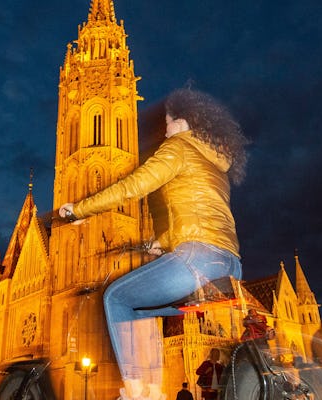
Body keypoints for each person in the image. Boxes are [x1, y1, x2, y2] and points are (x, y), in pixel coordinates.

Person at [59, 88, 249, 400]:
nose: (165, 128)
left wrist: (78, 209)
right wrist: (161, 243)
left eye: (168, 121)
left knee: (116, 298)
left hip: (197, 259)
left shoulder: (178, 147)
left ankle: (140, 392)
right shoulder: (213, 164)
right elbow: (204, 215)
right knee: (145, 308)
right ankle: (149, 387)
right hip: (229, 264)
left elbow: (133, 186)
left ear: (184, 122)